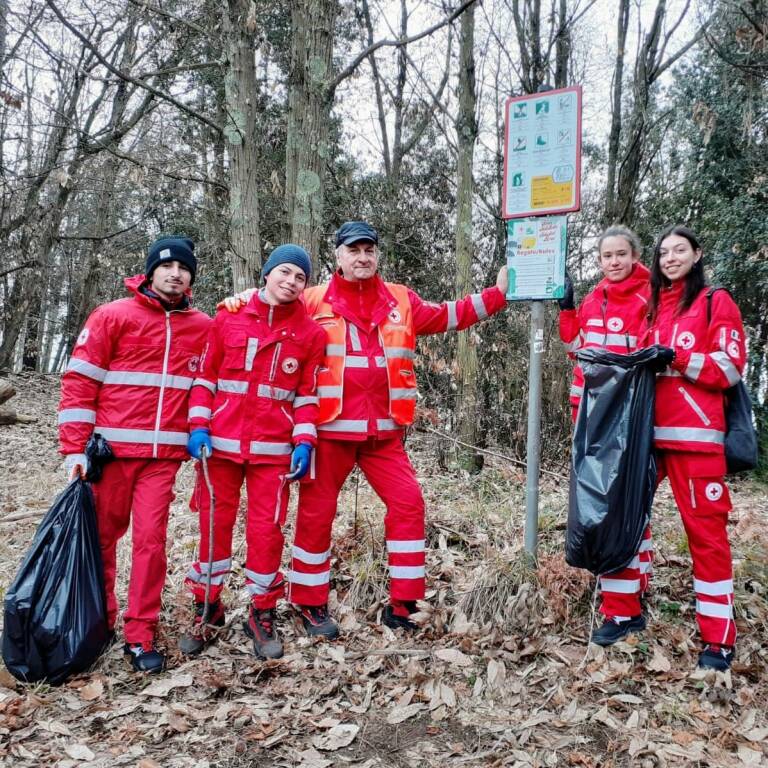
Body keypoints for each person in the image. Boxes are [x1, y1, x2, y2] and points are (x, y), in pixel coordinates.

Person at [225, 220, 509, 638]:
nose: (362, 258)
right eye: (353, 250)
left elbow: (452, 315)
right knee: (316, 517)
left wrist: (498, 294)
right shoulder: (311, 298)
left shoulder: (401, 300)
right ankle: (309, 604)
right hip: (328, 433)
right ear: (338, 256)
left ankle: (405, 602)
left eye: (369, 250)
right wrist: (242, 299)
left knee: (409, 503)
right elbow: (271, 303)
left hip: (383, 435)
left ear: (377, 255)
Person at [59, 236, 211, 673]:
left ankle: (140, 633)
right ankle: (100, 620)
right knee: (102, 542)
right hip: (111, 454)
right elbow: (80, 384)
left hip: (162, 458)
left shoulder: (201, 326)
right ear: (149, 271)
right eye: (167, 266)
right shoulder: (112, 316)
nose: (176, 274)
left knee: (151, 544)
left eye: (184, 268)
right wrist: (74, 447)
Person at [181, 245, 326, 659]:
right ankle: (207, 608)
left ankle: (261, 613)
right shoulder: (227, 318)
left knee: (267, 532)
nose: (291, 282)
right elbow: (206, 380)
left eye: (300, 277)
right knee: (213, 525)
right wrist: (198, 426)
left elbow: (306, 396)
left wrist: (304, 441)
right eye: (284, 272)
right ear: (266, 274)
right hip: (220, 449)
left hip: (273, 452)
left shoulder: (310, 334)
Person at [628, 225, 743, 671]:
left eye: (679, 250)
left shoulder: (717, 301)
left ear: (696, 254)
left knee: (707, 539)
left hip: (696, 444)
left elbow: (730, 368)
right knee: (630, 523)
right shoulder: (654, 307)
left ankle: (719, 640)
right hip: (648, 440)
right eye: (663, 253)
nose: (670, 258)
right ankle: (627, 609)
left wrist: (677, 357)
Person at [557, 226, 655, 646]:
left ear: (634, 255)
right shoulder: (595, 297)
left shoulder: (650, 297)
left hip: (626, 418)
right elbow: (576, 348)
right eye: (606, 256)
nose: (613, 262)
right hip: (588, 416)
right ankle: (634, 586)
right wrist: (567, 308)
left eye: (620, 254)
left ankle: (622, 611)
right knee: (614, 505)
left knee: (616, 507)